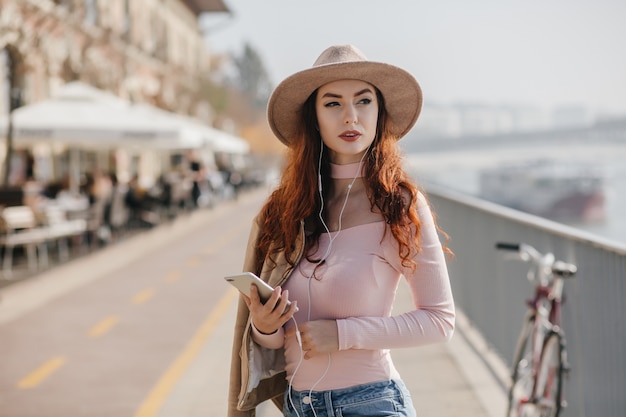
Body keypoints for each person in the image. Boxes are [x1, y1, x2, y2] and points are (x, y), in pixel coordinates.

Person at [228, 44, 455, 417]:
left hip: (371, 403)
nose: (350, 116)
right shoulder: (285, 211)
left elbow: (439, 320)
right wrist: (265, 327)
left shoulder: (399, 205)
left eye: (363, 101)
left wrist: (344, 335)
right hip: (298, 406)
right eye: (333, 104)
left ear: (379, 112)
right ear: (314, 118)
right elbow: (274, 338)